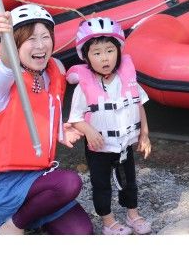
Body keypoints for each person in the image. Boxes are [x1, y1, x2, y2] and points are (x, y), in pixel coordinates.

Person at [0, 3, 94, 235]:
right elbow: (6, 63)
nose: (40, 45)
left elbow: (44, 111)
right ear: (16, 43)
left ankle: (32, 217)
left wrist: (60, 131)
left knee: (82, 232)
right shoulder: (2, 82)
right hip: (4, 182)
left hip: (38, 177)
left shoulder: (52, 72)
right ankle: (14, 225)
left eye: (45, 37)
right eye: (30, 39)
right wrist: (5, 36)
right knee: (70, 182)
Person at [66, 17, 153, 235]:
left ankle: (132, 214)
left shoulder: (128, 80)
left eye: (110, 51)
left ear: (119, 51)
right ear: (86, 57)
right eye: (97, 53)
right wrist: (89, 131)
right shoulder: (83, 88)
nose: (105, 57)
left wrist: (144, 134)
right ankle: (108, 221)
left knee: (129, 181)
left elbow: (139, 105)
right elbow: (75, 118)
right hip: (99, 147)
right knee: (101, 184)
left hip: (124, 144)